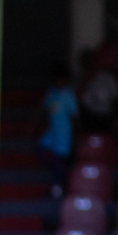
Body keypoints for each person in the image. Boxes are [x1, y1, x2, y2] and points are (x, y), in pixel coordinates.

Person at [38, 62, 79, 197]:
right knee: (42, 149)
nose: (58, 82)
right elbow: (44, 109)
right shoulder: (51, 92)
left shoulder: (68, 95)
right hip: (52, 132)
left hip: (64, 133)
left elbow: (75, 116)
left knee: (58, 160)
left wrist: (76, 135)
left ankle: (60, 186)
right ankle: (58, 184)